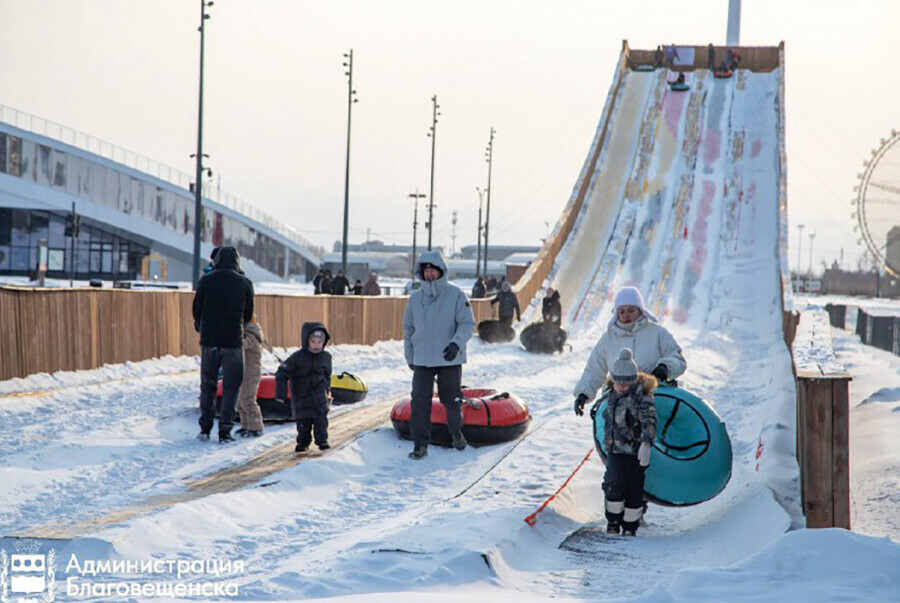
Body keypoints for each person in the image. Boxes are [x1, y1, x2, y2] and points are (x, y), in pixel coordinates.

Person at [403, 250, 476, 460]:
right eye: (425, 270)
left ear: (441, 271)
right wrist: (410, 356)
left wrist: (456, 344)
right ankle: (420, 445)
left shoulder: (456, 295)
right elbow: (408, 330)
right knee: (419, 402)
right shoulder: (415, 299)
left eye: (432, 270)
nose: (429, 274)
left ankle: (455, 433)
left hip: (448, 357)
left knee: (451, 400)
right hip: (422, 359)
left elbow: (467, 323)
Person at [573, 285, 685, 414]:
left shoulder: (657, 333)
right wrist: (583, 394)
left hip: (653, 398)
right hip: (618, 400)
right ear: (617, 313)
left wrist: (666, 367)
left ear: (640, 310)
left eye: (631, 310)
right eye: (622, 311)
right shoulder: (609, 338)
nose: (626, 315)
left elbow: (677, 358)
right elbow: (594, 369)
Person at [192, 246, 255, 443]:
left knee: (208, 385)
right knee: (231, 387)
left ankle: (205, 428)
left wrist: (203, 327)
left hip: (209, 341)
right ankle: (225, 431)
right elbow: (248, 314)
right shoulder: (244, 283)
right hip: (233, 342)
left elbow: (196, 309)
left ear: (217, 261)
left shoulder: (206, 280)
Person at [592, 348, 657, 536]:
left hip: (635, 452)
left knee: (634, 488)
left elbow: (649, 421)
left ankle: (630, 526)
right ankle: (613, 522)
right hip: (615, 450)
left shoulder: (642, 398)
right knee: (613, 484)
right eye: (618, 382)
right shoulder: (610, 395)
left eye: (625, 383)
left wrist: (646, 444)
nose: (621, 387)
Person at [275, 322, 333, 452]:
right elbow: (281, 373)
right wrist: (281, 393)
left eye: (320, 341)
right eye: (313, 341)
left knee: (321, 422)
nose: (317, 345)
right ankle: (303, 443)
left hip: (319, 398)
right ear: (306, 341)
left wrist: (328, 390)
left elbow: (327, 375)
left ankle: (322, 441)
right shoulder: (297, 358)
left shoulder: (326, 357)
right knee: (303, 425)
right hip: (302, 398)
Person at [235, 315, 265, 437]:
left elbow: (243, 344)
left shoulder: (252, 334)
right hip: (243, 372)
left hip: (251, 373)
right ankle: (245, 425)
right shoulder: (247, 332)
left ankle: (256, 427)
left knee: (248, 399)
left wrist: (232, 338)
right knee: (240, 400)